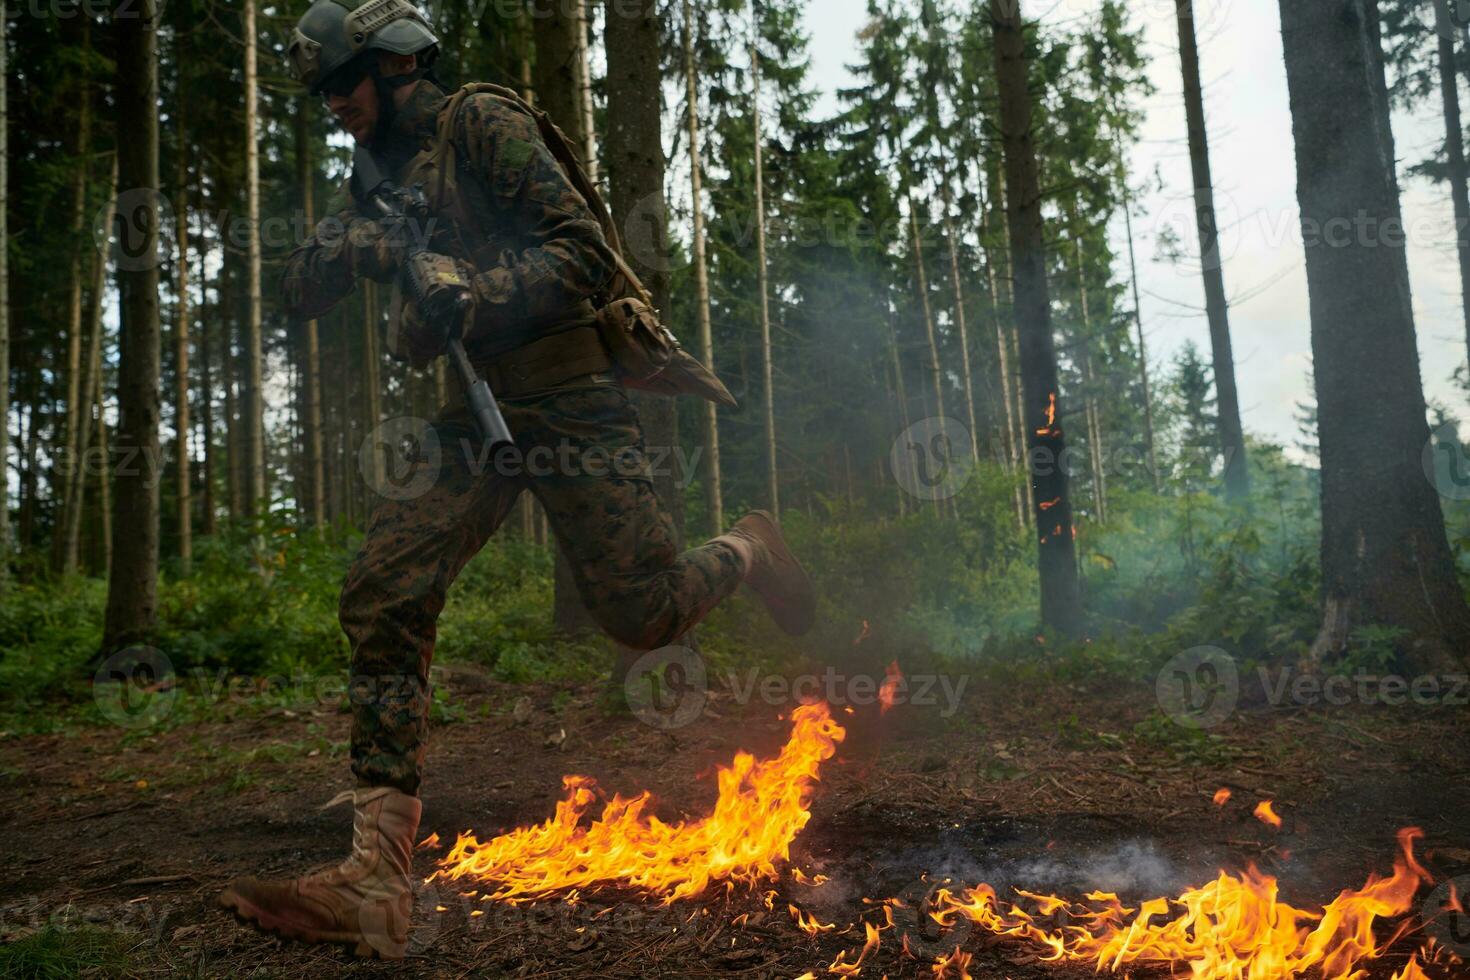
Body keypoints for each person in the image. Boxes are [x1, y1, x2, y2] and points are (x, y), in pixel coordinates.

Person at [217, 0, 815, 959]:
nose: (332, 103)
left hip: (568, 392)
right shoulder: (374, 177)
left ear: (393, 62)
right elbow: (297, 286)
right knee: (384, 589)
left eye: (341, 82)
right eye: (321, 90)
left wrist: (473, 286)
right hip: (474, 415)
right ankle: (375, 879)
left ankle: (750, 544)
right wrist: (350, 246)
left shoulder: (480, 123)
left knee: (642, 613)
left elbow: (582, 251)